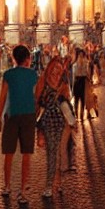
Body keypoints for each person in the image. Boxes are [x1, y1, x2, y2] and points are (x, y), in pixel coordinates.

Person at [0, 43, 39, 203]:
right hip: (28, 115)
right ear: (28, 59)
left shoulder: (8, 74)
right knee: (26, 154)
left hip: (11, 115)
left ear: (14, 58)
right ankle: (23, 191)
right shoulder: (33, 74)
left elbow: (2, 97)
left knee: (9, 153)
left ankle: (7, 186)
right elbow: (37, 96)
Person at [34, 58, 71, 198]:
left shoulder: (63, 84)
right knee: (51, 153)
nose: (57, 72)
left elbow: (66, 104)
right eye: (56, 69)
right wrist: (39, 133)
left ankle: (58, 181)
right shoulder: (43, 82)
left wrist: (71, 121)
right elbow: (37, 105)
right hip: (47, 122)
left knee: (59, 152)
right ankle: (49, 185)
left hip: (60, 122)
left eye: (60, 70)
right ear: (50, 68)